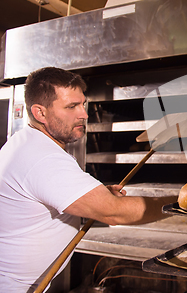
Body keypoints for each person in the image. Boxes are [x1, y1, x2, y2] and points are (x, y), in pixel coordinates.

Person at [0, 67, 173, 292]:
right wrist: (184, 203)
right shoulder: (43, 157)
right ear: (40, 113)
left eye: (82, 104)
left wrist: (94, 196)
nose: (84, 114)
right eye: (71, 107)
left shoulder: (24, 142)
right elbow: (115, 212)